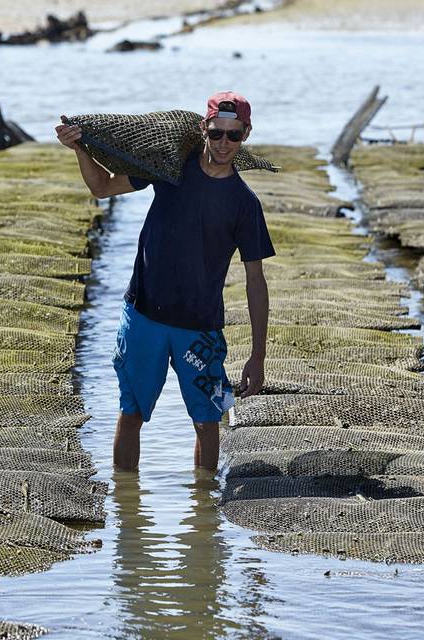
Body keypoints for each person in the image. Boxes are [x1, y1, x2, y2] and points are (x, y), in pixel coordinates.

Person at [55, 91, 275, 472]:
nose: (224, 144)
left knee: (209, 422)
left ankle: (204, 517)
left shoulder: (244, 202)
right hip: (143, 319)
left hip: (202, 333)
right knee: (131, 415)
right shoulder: (170, 164)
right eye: (217, 134)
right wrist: (79, 148)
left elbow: (256, 282)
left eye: (234, 135)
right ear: (203, 130)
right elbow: (102, 187)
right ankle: (127, 517)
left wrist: (258, 355)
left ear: (246, 134)